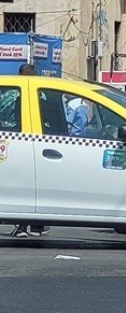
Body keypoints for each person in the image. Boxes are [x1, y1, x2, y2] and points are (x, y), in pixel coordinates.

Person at [10, 63, 50, 238]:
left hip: (20, 144)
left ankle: (24, 226)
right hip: (42, 145)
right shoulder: (43, 95)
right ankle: (35, 225)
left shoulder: (16, 94)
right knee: (38, 186)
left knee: (23, 186)